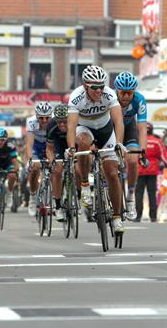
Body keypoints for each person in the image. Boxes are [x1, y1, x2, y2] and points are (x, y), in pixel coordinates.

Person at [66, 65, 126, 233]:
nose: (99, 90)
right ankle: (85, 184)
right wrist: (71, 148)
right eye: (95, 87)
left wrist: (119, 144)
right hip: (85, 129)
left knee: (112, 174)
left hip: (106, 131)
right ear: (85, 86)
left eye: (102, 86)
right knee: (83, 143)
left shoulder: (109, 94)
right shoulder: (76, 97)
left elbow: (118, 121)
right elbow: (71, 127)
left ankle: (116, 217)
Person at [113, 71, 148, 220]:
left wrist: (143, 152)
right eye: (123, 93)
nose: (126, 96)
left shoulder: (139, 100)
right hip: (110, 130)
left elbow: (142, 128)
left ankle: (130, 196)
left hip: (129, 129)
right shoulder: (110, 98)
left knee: (133, 161)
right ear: (117, 91)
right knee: (108, 162)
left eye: (130, 93)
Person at [135, 122, 167, 222]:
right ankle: (153, 217)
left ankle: (138, 216)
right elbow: (164, 158)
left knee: (138, 194)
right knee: (152, 194)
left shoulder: (137, 142)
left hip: (139, 172)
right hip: (152, 172)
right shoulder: (156, 142)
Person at [25, 102, 53, 216]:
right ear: (37, 116)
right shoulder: (31, 122)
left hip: (50, 146)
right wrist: (30, 159)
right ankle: (32, 197)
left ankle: (55, 198)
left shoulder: (55, 121)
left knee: (56, 169)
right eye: (41, 118)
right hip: (36, 146)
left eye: (47, 118)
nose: (45, 121)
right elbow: (29, 145)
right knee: (34, 169)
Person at [45, 104, 69, 222]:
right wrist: (52, 161)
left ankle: (78, 195)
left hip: (73, 142)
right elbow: (49, 149)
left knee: (79, 169)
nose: (62, 125)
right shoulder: (51, 125)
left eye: (64, 122)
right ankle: (58, 205)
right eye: (59, 122)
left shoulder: (77, 121)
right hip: (59, 145)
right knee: (57, 171)